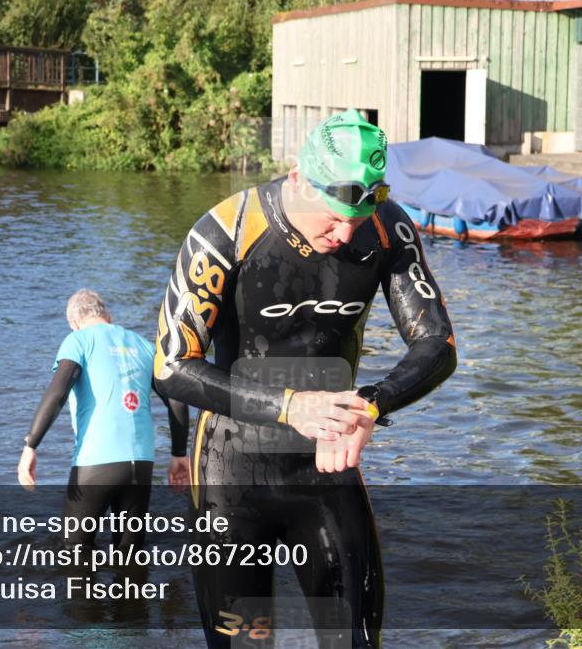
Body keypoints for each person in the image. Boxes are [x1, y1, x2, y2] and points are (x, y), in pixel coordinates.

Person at [153, 109, 457, 647]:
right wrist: (291, 406)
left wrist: (371, 404)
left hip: (326, 466)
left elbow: (438, 345)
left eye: (357, 219)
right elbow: (172, 365)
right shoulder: (227, 229)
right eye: (334, 217)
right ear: (298, 178)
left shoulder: (388, 228)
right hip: (230, 471)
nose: (344, 233)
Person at [17, 289, 190, 549]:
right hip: (141, 464)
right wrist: (178, 454)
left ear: (73, 323)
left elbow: (57, 392)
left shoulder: (78, 340)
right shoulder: (143, 345)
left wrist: (31, 445)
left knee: (73, 554)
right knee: (130, 557)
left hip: (96, 462)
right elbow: (176, 398)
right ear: (108, 316)